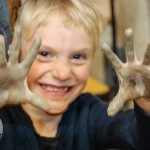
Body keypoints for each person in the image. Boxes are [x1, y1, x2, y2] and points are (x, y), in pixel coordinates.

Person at [0, 0, 150, 149]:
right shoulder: (4, 116)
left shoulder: (90, 114)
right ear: (17, 55)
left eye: (78, 56)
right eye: (45, 54)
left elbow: (138, 137)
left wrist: (146, 104)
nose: (63, 73)